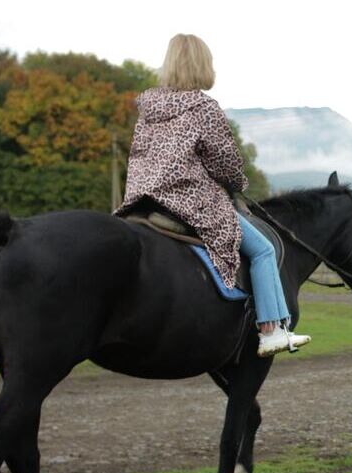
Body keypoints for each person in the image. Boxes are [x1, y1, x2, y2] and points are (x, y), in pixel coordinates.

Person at [116, 34, 310, 356]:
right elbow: (227, 163)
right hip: (189, 201)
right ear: (202, 65)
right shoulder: (203, 107)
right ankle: (272, 329)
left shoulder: (148, 107)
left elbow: (138, 156)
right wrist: (238, 184)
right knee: (263, 249)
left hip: (142, 200)